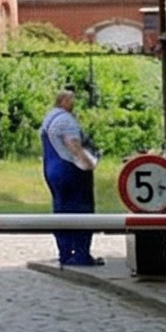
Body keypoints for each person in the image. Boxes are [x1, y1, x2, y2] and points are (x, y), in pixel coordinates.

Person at [41, 90, 100, 268]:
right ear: (64, 101)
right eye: (71, 100)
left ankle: (65, 253)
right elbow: (73, 144)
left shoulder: (48, 119)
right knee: (82, 210)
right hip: (70, 170)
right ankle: (82, 254)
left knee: (61, 212)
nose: (73, 103)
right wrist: (88, 162)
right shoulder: (66, 120)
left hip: (52, 169)